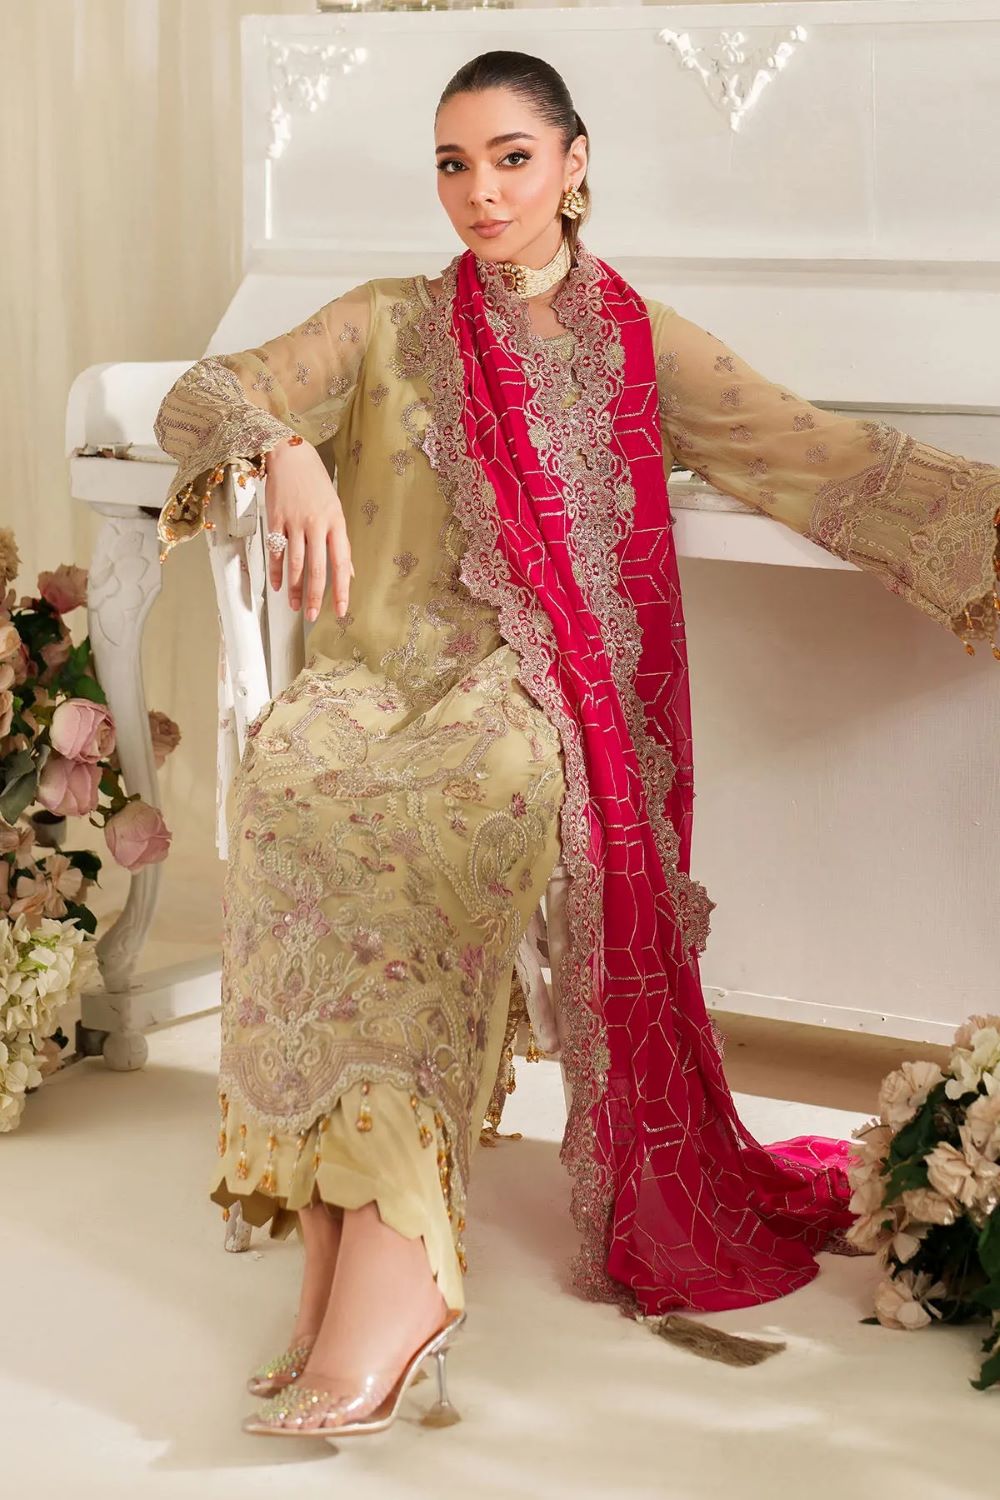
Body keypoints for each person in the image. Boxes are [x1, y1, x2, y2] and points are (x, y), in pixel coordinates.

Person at [153, 49, 1000, 1439]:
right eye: (453, 164)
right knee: (302, 792)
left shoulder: (633, 340)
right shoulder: (384, 319)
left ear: (575, 162)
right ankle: (342, 1237)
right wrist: (281, 447)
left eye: (511, 159)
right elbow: (206, 390)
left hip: (530, 699)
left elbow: (806, 449)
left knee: (429, 823)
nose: (480, 193)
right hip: (372, 683)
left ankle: (397, 1267)